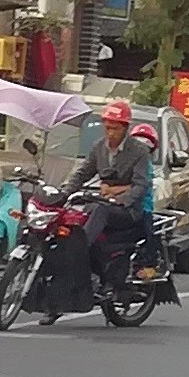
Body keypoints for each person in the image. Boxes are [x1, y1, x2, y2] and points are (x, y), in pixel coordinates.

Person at [42, 97, 151, 321]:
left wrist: (119, 197)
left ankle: (80, 245)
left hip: (127, 212)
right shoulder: (98, 147)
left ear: (125, 128)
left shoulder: (139, 151)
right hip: (101, 205)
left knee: (95, 216)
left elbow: (141, 185)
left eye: (114, 128)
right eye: (106, 127)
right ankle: (56, 303)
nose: (109, 133)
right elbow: (83, 173)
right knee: (74, 216)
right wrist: (63, 193)